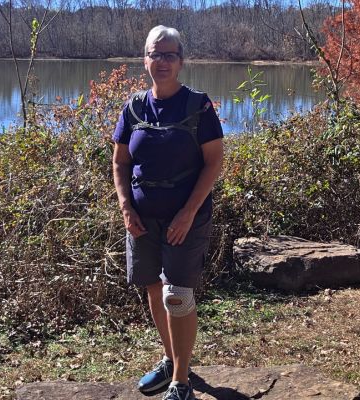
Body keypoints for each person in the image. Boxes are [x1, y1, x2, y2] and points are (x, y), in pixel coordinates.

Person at [112, 25, 224, 400]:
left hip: (185, 219)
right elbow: (120, 162)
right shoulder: (133, 107)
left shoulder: (198, 106)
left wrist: (188, 213)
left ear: (181, 61)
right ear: (144, 59)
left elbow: (213, 163)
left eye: (169, 55)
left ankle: (180, 381)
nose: (161, 61)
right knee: (153, 287)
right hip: (143, 218)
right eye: (154, 54)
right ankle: (170, 358)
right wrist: (126, 207)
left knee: (176, 293)